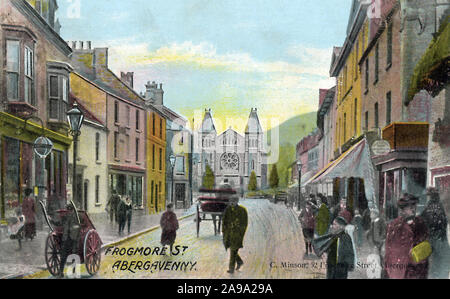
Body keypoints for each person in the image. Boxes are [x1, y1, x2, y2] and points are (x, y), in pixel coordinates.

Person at [384, 193, 430, 279]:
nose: (413, 209)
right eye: (410, 206)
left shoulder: (421, 224)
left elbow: (426, 247)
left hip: (417, 271)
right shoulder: (394, 226)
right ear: (403, 209)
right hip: (400, 270)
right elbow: (389, 250)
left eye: (414, 205)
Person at [420, 187, 450, 279]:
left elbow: (421, 222)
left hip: (431, 240)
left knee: (433, 265)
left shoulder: (426, 208)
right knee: (444, 263)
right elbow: (446, 220)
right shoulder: (441, 207)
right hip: (441, 240)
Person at [222, 195, 248, 274]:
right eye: (231, 201)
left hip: (237, 234)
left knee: (233, 250)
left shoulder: (242, 210)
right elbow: (224, 221)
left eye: (234, 201)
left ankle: (231, 269)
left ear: (237, 202)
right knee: (232, 248)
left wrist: (240, 232)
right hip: (229, 233)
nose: (232, 203)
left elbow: (244, 223)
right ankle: (239, 261)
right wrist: (224, 231)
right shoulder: (227, 210)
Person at [59, 202, 80, 278]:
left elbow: (78, 227)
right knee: (63, 256)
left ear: (72, 210)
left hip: (73, 239)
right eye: (68, 210)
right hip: (66, 239)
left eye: (70, 210)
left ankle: (74, 272)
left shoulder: (76, 217)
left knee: (73, 255)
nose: (69, 211)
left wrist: (72, 229)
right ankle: (60, 272)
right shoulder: (65, 217)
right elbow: (60, 223)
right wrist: (51, 221)